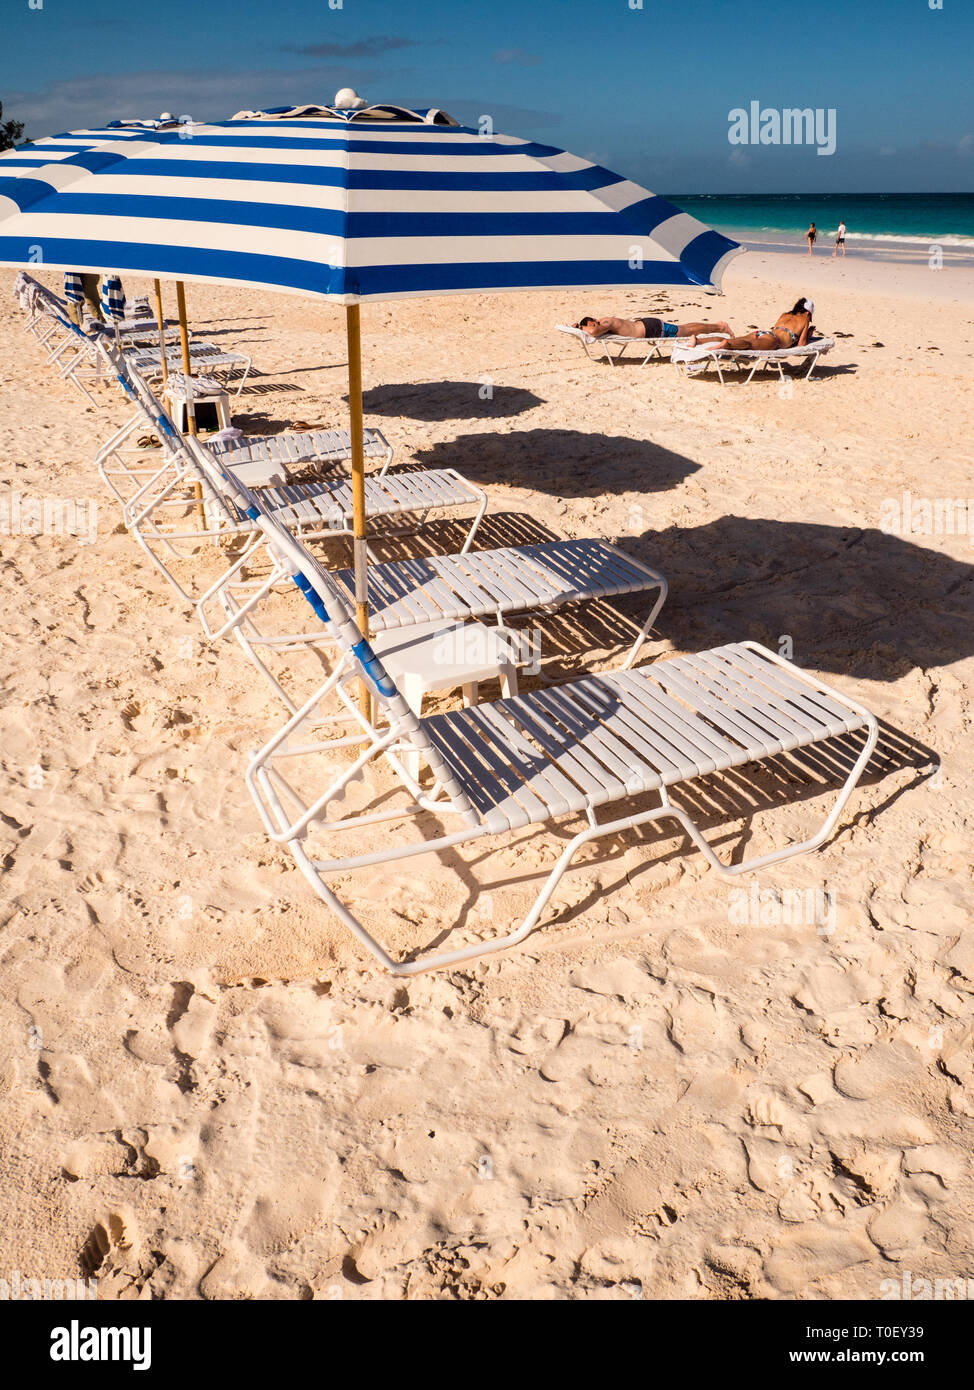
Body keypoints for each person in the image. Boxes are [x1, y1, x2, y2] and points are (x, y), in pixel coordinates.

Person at [575, 313, 732, 348]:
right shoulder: (601, 324)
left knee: (686, 329)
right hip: (648, 327)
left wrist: (581, 328)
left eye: (590, 325)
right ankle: (718, 327)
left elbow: (593, 333)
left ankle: (719, 326)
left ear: (591, 322)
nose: (592, 327)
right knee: (685, 329)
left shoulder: (605, 322)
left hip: (652, 328)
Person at [720, 297, 817, 353]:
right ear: (808, 313)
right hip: (774, 340)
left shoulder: (785, 314)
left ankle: (710, 342)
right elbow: (801, 344)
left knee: (740, 339)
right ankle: (726, 344)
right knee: (748, 345)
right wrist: (808, 335)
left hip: (763, 333)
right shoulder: (805, 320)